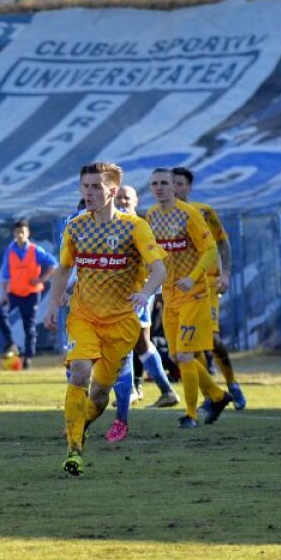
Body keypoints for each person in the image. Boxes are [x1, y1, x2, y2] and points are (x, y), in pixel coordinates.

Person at [43, 163, 167, 476]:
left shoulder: (134, 227)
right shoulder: (75, 227)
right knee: (79, 373)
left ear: (113, 191)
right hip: (84, 315)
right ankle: (74, 451)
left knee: (99, 394)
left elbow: (160, 270)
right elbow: (63, 269)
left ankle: (80, 426)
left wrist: (145, 293)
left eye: (96, 187)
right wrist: (52, 304)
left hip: (122, 322)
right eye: (85, 186)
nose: (89, 192)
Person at [146, 168, 233, 428]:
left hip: (193, 294)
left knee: (184, 356)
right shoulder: (151, 216)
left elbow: (209, 250)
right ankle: (218, 396)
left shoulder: (190, 215)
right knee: (176, 356)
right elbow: (153, 255)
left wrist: (193, 277)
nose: (159, 187)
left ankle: (192, 414)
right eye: (155, 184)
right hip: (170, 296)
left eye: (164, 183)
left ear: (175, 186)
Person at [104, 185, 180, 443]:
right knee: (140, 344)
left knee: (136, 344)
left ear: (136, 200)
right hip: (122, 299)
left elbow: (155, 264)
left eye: (128, 197)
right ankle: (158, 390)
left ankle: (142, 392)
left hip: (136, 298)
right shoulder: (118, 225)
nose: (123, 201)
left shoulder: (139, 226)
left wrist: (152, 295)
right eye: (120, 197)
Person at [172, 166, 247, 409]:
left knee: (211, 339)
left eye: (180, 183)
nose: (175, 188)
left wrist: (225, 273)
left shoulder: (204, 212)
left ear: (189, 187)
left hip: (207, 285)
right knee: (187, 347)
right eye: (171, 183)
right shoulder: (161, 217)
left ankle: (232, 384)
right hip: (179, 288)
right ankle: (211, 395)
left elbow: (222, 242)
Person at [0, 218, 56, 369]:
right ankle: (11, 343)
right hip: (14, 293)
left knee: (29, 328)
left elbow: (53, 263)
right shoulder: (10, 251)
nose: (20, 235)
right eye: (17, 232)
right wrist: (4, 294)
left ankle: (28, 358)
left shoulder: (35, 250)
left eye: (22, 232)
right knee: (0, 313)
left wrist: (42, 279)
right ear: (14, 234)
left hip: (31, 294)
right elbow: (5, 274)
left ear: (28, 233)